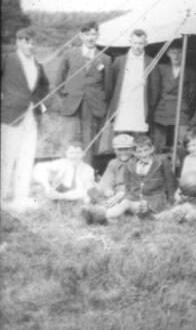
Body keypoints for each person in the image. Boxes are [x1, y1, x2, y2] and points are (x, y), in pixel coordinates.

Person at [1, 28, 49, 208]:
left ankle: (20, 196)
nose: (31, 45)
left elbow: (44, 85)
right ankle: (2, 195)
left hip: (32, 116)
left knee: (26, 156)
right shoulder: (7, 59)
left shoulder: (37, 64)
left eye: (33, 42)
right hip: (11, 115)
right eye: (27, 41)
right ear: (18, 42)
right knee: (7, 156)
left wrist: (38, 101)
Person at [83, 135, 176, 224]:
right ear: (135, 153)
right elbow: (117, 183)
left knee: (126, 204)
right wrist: (109, 190)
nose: (144, 154)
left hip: (152, 200)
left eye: (146, 150)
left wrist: (171, 199)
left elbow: (170, 181)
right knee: (123, 202)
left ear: (152, 148)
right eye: (139, 151)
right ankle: (102, 213)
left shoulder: (160, 162)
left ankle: (103, 215)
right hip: (133, 197)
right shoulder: (129, 164)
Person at [56, 22, 113, 155]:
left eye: (93, 34)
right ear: (81, 36)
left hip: (93, 106)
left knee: (90, 141)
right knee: (70, 140)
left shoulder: (105, 59)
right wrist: (68, 96)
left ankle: (88, 172)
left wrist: (98, 100)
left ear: (98, 36)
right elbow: (59, 81)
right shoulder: (69, 54)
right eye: (87, 34)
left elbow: (108, 87)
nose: (90, 38)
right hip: (72, 104)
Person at [107, 29, 160, 135]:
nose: (137, 46)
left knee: (139, 139)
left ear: (145, 43)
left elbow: (155, 89)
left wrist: (150, 106)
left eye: (140, 43)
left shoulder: (151, 62)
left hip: (140, 107)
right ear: (130, 42)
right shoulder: (119, 61)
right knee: (121, 138)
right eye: (135, 43)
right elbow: (111, 84)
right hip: (122, 107)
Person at [152, 41, 196, 151]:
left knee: (183, 141)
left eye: (179, 53)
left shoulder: (190, 72)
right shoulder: (160, 68)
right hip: (162, 109)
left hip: (180, 109)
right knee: (158, 142)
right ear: (168, 53)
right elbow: (155, 88)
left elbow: (191, 93)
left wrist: (183, 104)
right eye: (173, 52)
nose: (176, 56)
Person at [32, 141, 96, 209]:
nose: (74, 156)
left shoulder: (88, 170)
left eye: (78, 153)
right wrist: (47, 187)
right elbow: (39, 167)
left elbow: (83, 191)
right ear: (66, 154)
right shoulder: (62, 163)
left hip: (78, 199)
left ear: (83, 154)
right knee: (36, 203)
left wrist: (60, 195)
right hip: (58, 194)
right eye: (71, 153)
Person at [96, 133, 136, 204]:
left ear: (133, 149)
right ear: (115, 150)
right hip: (115, 192)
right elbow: (107, 179)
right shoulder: (113, 163)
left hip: (131, 193)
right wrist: (107, 189)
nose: (123, 152)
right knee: (97, 190)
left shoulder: (137, 162)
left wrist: (121, 194)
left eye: (127, 149)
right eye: (120, 150)